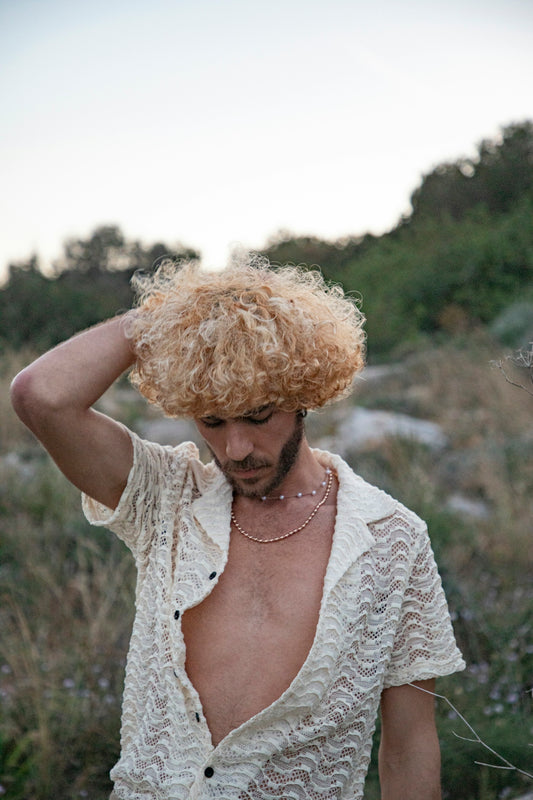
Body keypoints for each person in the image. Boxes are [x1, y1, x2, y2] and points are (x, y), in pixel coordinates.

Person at [11, 255, 465, 800]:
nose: (236, 449)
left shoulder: (393, 540)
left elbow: (409, 746)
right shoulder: (168, 499)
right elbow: (41, 397)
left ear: (303, 395)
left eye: (257, 416)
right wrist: (169, 316)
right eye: (212, 421)